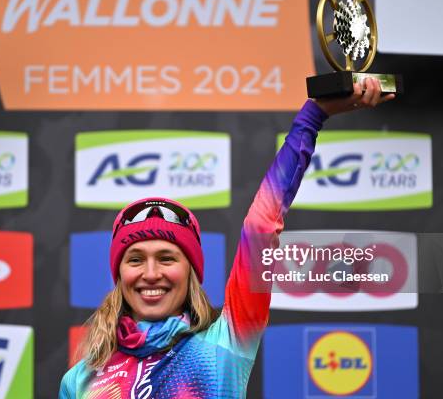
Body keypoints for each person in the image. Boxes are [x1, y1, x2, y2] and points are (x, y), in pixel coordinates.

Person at [60, 79, 393, 398]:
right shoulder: (81, 379)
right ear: (119, 274)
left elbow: (262, 224)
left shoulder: (226, 343)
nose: (150, 273)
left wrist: (313, 116)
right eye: (135, 259)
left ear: (191, 270)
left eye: (167, 257)